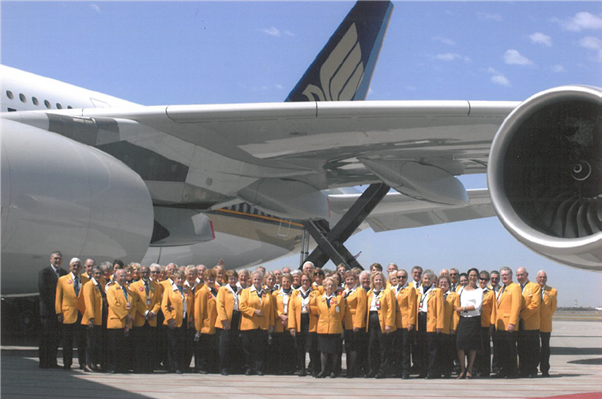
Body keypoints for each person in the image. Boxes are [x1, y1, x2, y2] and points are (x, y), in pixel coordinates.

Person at [240, 270, 274, 375]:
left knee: (260, 348)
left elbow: (271, 310)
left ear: (262, 280)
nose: (257, 281)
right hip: (249, 324)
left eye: (259, 279)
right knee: (248, 348)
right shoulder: (246, 292)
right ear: (251, 280)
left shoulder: (267, 293)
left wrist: (271, 324)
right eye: (255, 279)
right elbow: (242, 306)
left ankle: (258, 368)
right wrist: (253, 311)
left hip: (262, 325)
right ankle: (249, 368)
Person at [55, 257, 86, 370]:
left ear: (81, 268)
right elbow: (58, 297)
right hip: (67, 314)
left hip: (81, 314)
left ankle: (83, 363)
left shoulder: (85, 279)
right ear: (69, 267)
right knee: (67, 341)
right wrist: (59, 312)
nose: (76, 267)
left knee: (81, 341)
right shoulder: (62, 279)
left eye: (78, 265)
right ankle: (67, 363)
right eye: (74, 265)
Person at [38, 251, 67, 369]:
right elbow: (43, 291)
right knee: (46, 337)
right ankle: (43, 362)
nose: (57, 261)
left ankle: (52, 361)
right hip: (48, 312)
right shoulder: (44, 272)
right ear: (50, 259)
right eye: (55, 258)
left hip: (59, 312)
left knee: (56, 338)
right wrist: (54, 307)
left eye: (59, 259)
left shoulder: (64, 273)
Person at [130, 265, 161, 373]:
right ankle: (138, 367)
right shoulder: (134, 286)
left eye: (147, 272)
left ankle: (149, 367)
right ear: (139, 273)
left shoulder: (156, 285)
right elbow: (136, 301)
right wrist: (145, 312)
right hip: (140, 319)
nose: (145, 274)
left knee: (150, 345)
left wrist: (153, 312)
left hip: (151, 319)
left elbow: (158, 301)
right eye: (143, 272)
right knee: (139, 345)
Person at [162, 270, 194, 373]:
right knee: (173, 345)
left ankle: (182, 365)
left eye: (182, 278)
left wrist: (191, 317)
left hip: (185, 320)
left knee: (183, 345)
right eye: (178, 278)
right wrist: (169, 319)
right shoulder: (169, 290)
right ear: (174, 279)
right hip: (174, 321)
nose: (180, 280)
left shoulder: (186, 290)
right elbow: (164, 306)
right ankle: (173, 366)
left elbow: (191, 304)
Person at [288, 271, 320, 377]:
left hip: (310, 321)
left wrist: (312, 309)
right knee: (300, 347)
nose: (304, 282)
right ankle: (302, 369)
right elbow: (291, 310)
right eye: (303, 280)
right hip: (299, 320)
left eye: (306, 280)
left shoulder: (316, 292)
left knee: (311, 347)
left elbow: (320, 308)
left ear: (310, 281)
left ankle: (314, 368)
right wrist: (292, 326)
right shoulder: (295, 293)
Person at [365, 271, 396, 378]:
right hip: (372, 323)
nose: (378, 282)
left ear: (383, 281)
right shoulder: (370, 293)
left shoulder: (388, 292)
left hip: (382, 323)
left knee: (384, 348)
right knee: (372, 347)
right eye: (376, 280)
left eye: (380, 280)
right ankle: (373, 369)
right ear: (373, 281)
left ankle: (383, 370)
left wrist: (388, 324)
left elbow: (391, 309)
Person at [491, 266, 521, 379]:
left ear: (511, 275)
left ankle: (512, 371)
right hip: (500, 325)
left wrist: (512, 322)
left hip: (509, 324)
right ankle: (504, 370)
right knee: (502, 350)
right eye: (502, 275)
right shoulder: (502, 288)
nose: (504, 276)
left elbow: (516, 306)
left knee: (510, 349)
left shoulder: (515, 288)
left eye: (506, 274)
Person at [455, 268, 483, 379]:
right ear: (468, 276)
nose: (472, 277)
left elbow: (477, 306)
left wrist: (462, 308)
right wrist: (461, 310)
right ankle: (462, 368)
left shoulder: (479, 290)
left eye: (475, 275)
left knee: (472, 346)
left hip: (473, 320)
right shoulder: (461, 289)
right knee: (459, 345)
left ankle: (470, 369)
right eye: (471, 275)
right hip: (463, 320)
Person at [106, 269, 136, 373]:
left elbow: (134, 305)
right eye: (120, 276)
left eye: (124, 276)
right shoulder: (112, 289)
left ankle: (123, 367)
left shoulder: (129, 291)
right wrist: (125, 315)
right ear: (116, 277)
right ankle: (113, 367)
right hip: (116, 321)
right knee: (114, 347)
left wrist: (131, 316)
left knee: (124, 347)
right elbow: (113, 304)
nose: (123, 278)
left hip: (127, 323)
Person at [315, 277, 346, 378]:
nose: (330, 287)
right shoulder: (319, 299)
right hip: (323, 327)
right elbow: (319, 313)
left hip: (335, 327)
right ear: (324, 286)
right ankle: (323, 370)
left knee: (334, 351)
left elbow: (341, 314)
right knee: (323, 351)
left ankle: (334, 370)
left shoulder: (339, 299)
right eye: (328, 285)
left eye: (332, 285)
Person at [416, 270, 444, 379]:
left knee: (431, 348)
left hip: (431, 321)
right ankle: (423, 371)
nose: (426, 280)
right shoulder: (418, 291)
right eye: (425, 278)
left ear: (433, 280)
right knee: (421, 347)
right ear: (422, 279)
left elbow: (440, 309)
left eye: (429, 279)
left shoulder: (437, 291)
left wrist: (439, 325)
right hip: (420, 320)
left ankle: (432, 371)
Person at [516, 267, 541, 378]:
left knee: (532, 349)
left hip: (531, 324)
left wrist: (522, 316)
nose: (520, 277)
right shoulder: (515, 287)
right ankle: (523, 369)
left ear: (527, 275)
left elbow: (535, 305)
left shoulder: (534, 287)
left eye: (522, 275)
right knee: (521, 348)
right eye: (518, 275)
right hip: (519, 324)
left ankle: (532, 370)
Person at [215, 270, 242, 375]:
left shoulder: (240, 290)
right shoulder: (223, 289)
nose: (233, 280)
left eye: (234, 278)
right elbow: (220, 305)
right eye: (230, 278)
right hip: (226, 319)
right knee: (224, 345)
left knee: (234, 344)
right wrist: (224, 319)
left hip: (237, 318)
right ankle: (223, 367)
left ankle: (232, 366)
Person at [342, 271, 367, 378]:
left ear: (356, 280)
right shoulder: (344, 292)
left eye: (351, 279)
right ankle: (349, 370)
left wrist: (358, 324)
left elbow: (361, 309)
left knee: (354, 349)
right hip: (345, 324)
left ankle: (354, 370)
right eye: (347, 280)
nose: (349, 282)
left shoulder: (359, 291)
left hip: (354, 324)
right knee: (348, 348)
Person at [194, 269, 219, 374]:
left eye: (213, 279)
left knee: (210, 348)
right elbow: (198, 311)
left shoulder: (216, 291)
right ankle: (200, 366)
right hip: (205, 325)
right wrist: (198, 328)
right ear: (205, 280)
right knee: (202, 348)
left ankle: (208, 366)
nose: (211, 281)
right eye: (209, 279)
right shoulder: (202, 292)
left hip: (214, 325)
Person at [81, 265, 105, 372]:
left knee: (96, 343)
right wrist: (91, 317)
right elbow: (89, 302)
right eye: (96, 273)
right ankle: (87, 364)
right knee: (89, 344)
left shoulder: (100, 285)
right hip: (91, 320)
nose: (98, 275)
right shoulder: (88, 285)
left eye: (100, 273)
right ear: (92, 274)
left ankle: (94, 363)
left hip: (99, 319)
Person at [393, 269, 416, 379]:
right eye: (398, 277)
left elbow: (412, 306)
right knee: (397, 348)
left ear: (407, 278)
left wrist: (411, 322)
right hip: (395, 323)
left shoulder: (410, 289)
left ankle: (405, 371)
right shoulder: (393, 289)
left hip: (405, 322)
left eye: (403, 277)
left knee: (405, 348)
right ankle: (397, 370)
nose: (400, 279)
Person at [272, 273, 295, 375]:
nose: (286, 283)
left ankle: (289, 368)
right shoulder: (275, 294)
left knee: (289, 347)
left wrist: (288, 317)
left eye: (288, 282)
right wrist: (281, 315)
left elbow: (296, 307)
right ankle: (279, 368)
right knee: (278, 347)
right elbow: (273, 308)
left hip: (290, 321)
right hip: (279, 321)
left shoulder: (295, 293)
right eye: (284, 281)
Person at [438, 276, 459, 378]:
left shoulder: (454, 296)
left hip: (448, 327)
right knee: (439, 351)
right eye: (441, 282)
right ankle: (439, 370)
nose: (443, 284)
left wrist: (453, 327)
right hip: (436, 328)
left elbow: (456, 313)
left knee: (448, 351)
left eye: (445, 282)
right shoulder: (434, 295)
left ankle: (447, 371)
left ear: (449, 284)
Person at [537, 270, 557, 377]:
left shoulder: (552, 291)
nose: (542, 279)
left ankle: (545, 369)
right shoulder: (532, 289)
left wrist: (546, 316)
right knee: (533, 347)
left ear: (546, 279)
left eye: (544, 277)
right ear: (537, 278)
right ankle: (533, 368)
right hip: (533, 323)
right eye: (540, 277)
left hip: (545, 324)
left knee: (545, 347)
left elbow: (553, 308)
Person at [477, 270, 495, 378]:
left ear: (488, 281)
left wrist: (491, 325)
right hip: (475, 324)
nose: (483, 281)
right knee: (476, 349)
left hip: (485, 324)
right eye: (481, 279)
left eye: (485, 279)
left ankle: (486, 370)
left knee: (486, 349)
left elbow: (493, 310)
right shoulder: (474, 291)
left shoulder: (490, 293)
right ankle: (476, 369)